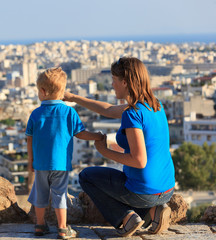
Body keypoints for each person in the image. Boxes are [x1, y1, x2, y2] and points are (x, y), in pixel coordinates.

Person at [64, 57, 175, 237]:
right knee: (128, 182)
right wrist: (73, 98)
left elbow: (139, 161)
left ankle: (126, 218)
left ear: (125, 82)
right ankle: (156, 211)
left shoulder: (132, 114)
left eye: (114, 81)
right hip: (167, 187)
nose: (112, 85)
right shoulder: (155, 105)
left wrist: (104, 151)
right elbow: (107, 110)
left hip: (144, 191)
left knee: (86, 177)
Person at [26, 67, 103, 239]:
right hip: (61, 164)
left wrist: (30, 160)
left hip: (40, 163)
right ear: (62, 92)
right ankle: (62, 228)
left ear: (43, 92)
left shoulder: (36, 114)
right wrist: (97, 136)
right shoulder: (69, 112)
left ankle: (39, 225)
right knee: (59, 195)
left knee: (40, 194)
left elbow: (29, 138)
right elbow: (81, 133)